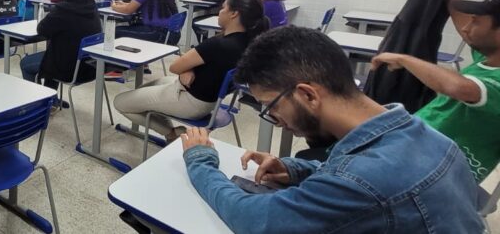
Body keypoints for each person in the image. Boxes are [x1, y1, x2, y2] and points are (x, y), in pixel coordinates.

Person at [177, 27, 484, 233]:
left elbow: (254, 219)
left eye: (271, 106)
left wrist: (201, 159)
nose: (274, 119)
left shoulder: (363, 180)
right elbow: (355, 174)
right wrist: (297, 169)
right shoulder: (429, 136)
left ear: (308, 95)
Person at [372, 0, 500, 182]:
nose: (465, 28)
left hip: (437, 177)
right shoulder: (489, 59)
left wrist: (404, 59)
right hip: (415, 149)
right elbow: (462, 22)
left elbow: (460, 88)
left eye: (475, 22)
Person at [114, 0, 268, 142]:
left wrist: (184, 68)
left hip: (189, 101)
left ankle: (171, 132)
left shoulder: (218, 44)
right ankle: (158, 115)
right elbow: (191, 65)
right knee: (144, 89)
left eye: (224, 8)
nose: (220, 12)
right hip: (208, 101)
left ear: (234, 14)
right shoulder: (249, 43)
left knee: (120, 102)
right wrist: (188, 68)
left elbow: (174, 67)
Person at [20, 0, 101, 90]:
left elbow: (42, 30)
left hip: (67, 69)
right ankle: (52, 100)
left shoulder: (62, 9)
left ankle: (39, 102)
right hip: (89, 67)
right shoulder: (92, 6)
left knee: (26, 64)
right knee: (56, 50)